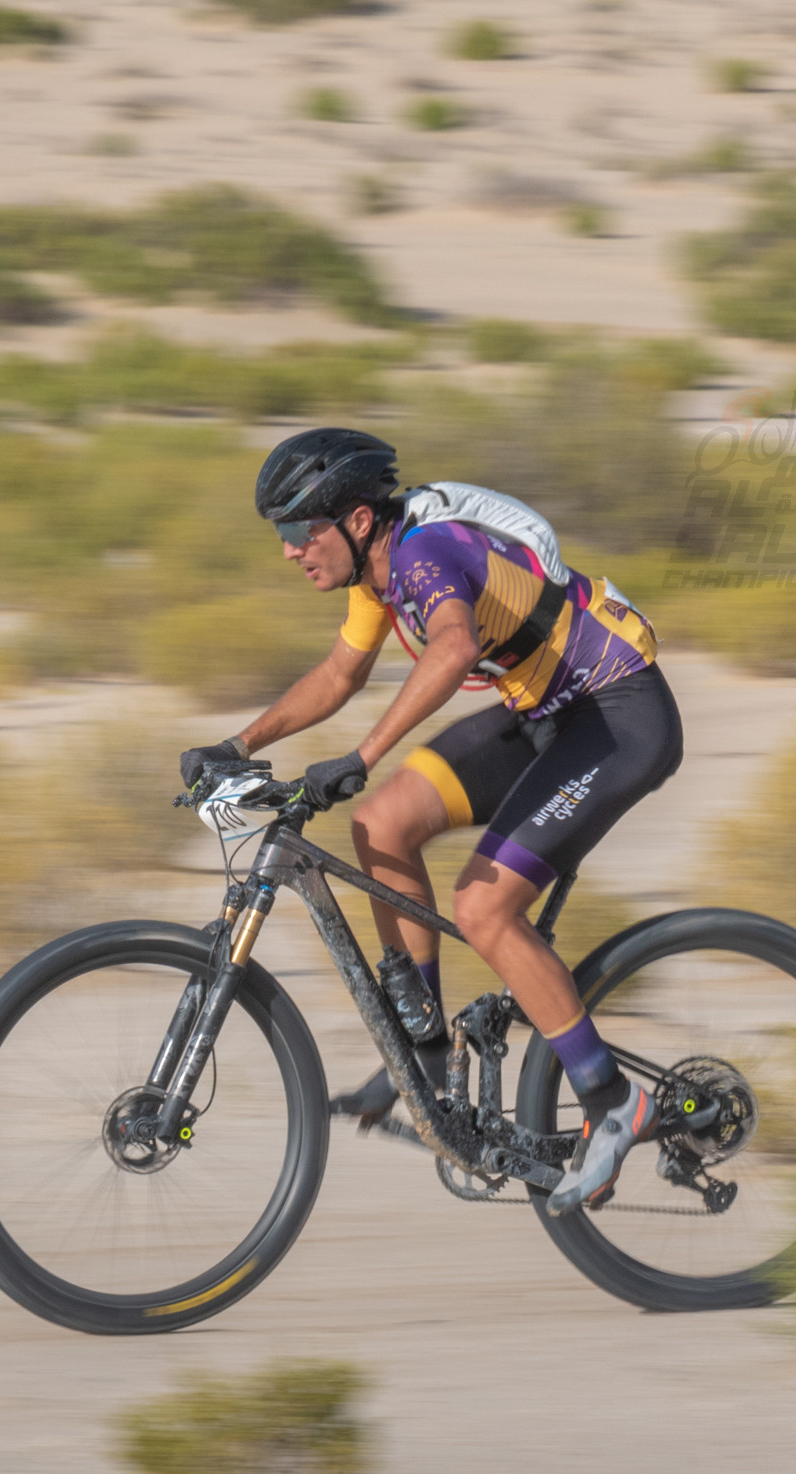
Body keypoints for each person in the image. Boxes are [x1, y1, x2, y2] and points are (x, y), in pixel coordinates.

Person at [177, 428, 680, 1217]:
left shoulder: (423, 553)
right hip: (543, 711)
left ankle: (613, 1100)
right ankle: (431, 1056)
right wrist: (237, 744)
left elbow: (452, 649)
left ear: (357, 521)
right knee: (381, 824)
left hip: (615, 714)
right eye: (282, 533)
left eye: (300, 529)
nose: (289, 549)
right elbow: (340, 673)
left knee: (482, 906)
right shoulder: (375, 572)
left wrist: (362, 754)